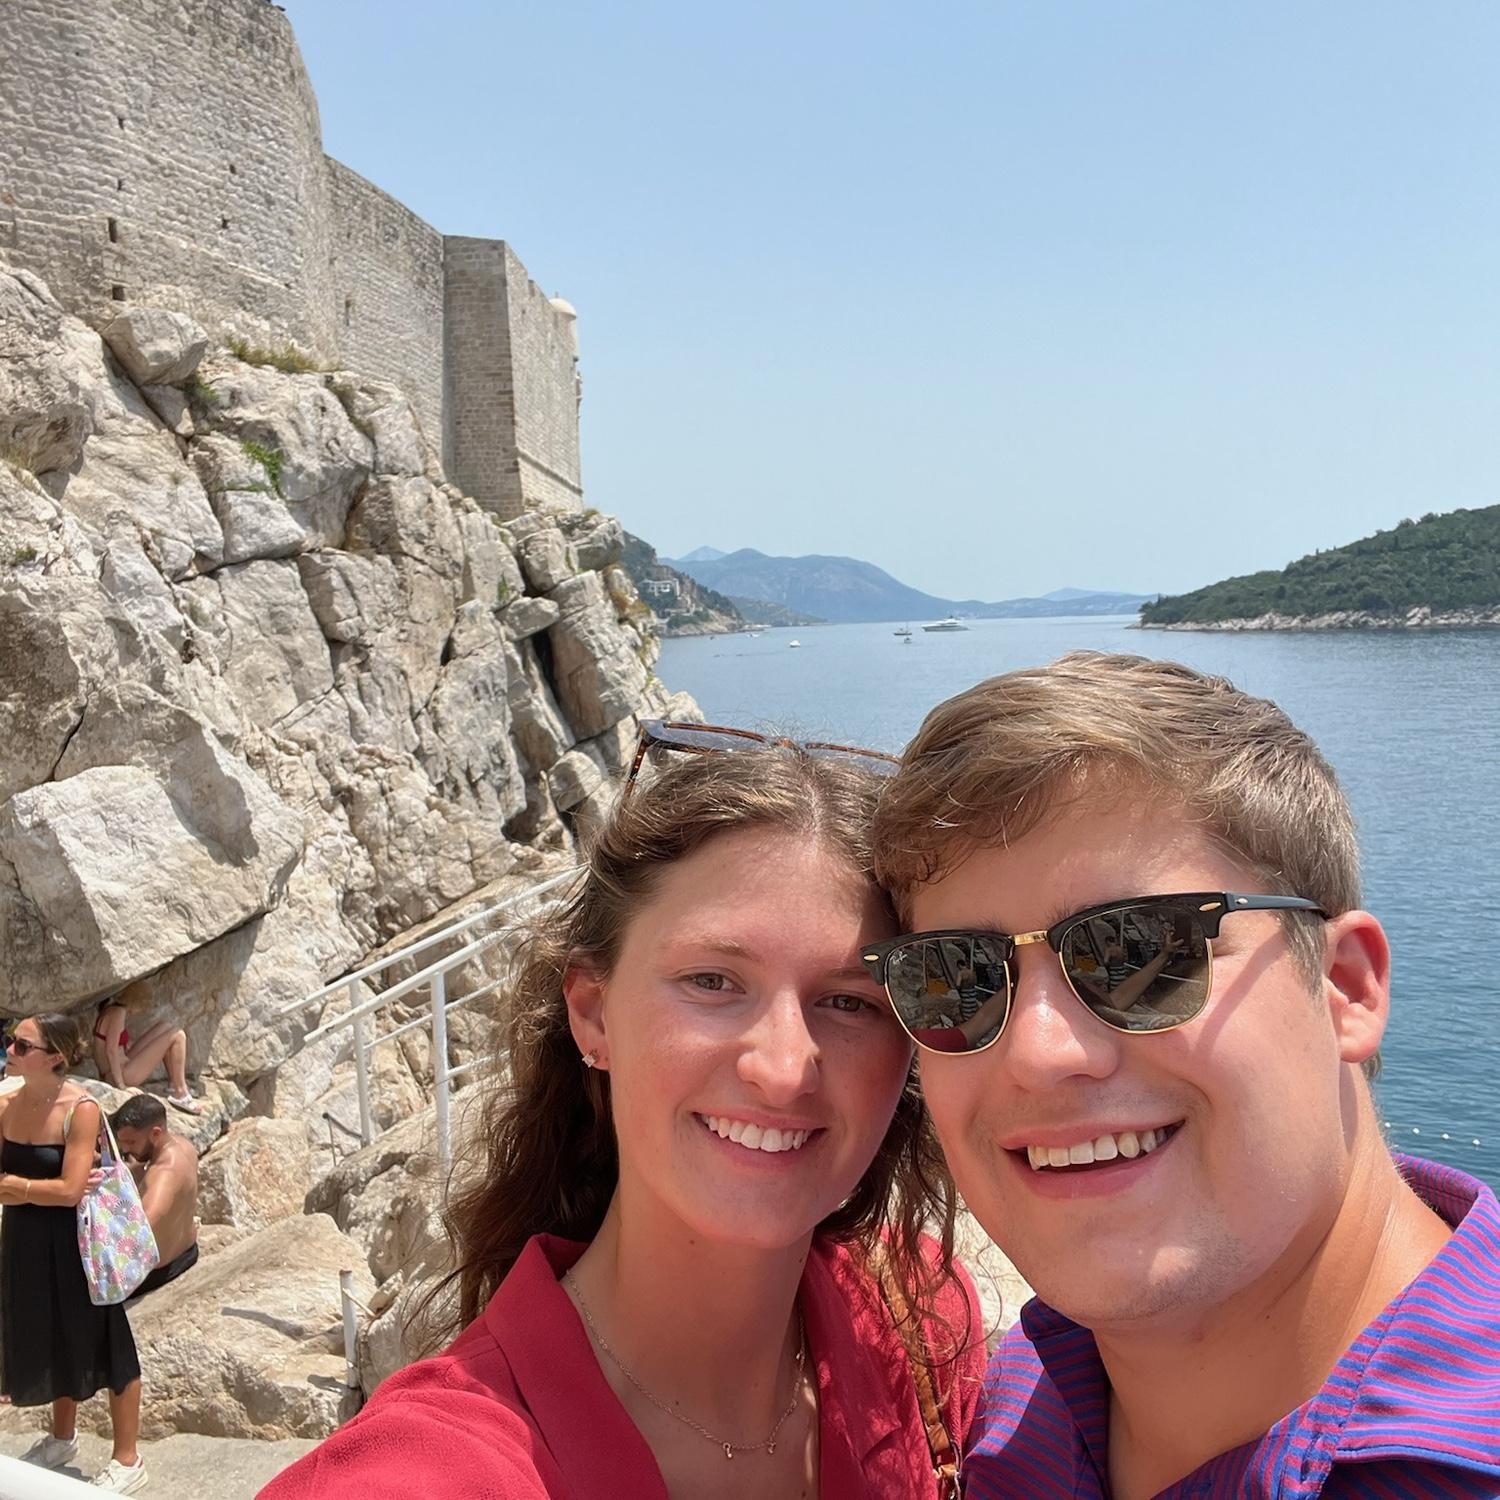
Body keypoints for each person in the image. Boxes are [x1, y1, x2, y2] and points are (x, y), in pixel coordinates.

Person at [261, 726, 985, 1499]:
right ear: (594, 1014)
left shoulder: (922, 1323)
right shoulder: (424, 1477)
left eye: (849, 1002)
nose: (781, 1069)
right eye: (712, 981)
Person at [865, 652, 1500, 1498]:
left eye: (1140, 952)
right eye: (952, 976)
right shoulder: (1023, 1402)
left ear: (1345, 987)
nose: (1040, 1052)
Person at [0, 1013, 147, 1494]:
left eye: (22, 1046)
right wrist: (35, 1190)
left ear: (55, 1057)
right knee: (48, 1333)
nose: (11, 1051)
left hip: (78, 1243)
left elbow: (69, 1193)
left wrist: (16, 1186)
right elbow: (58, 1185)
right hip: (24, 1239)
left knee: (107, 1342)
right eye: (10, 1042)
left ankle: (128, 1459)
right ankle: (62, 1438)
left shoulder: (79, 1109)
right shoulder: (6, 1103)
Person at [109, 1094, 200, 1299]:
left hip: (157, 1271)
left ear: (156, 1133)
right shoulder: (183, 1145)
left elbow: (138, 1231)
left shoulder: (163, 1176)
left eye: (131, 1142)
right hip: (187, 1250)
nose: (125, 1149)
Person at [93, 983, 202, 1114]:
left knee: (165, 1026)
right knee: (178, 1036)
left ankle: (174, 1084)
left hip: (121, 1066)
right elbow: (110, 1051)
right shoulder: (118, 1013)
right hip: (122, 1074)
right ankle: (180, 1093)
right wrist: (121, 1086)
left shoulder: (111, 1009)